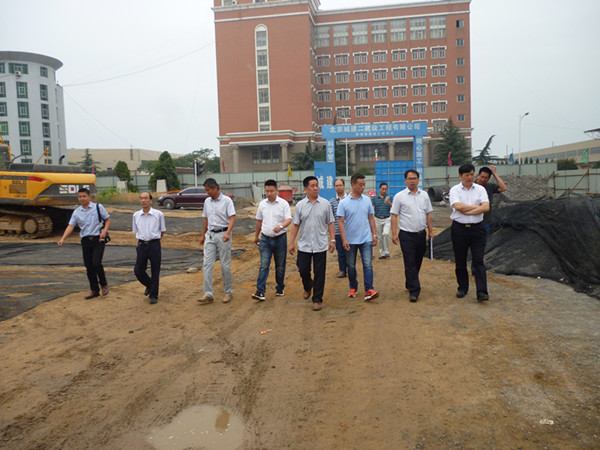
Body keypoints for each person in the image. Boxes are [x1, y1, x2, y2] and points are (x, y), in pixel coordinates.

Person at [288, 176, 335, 311]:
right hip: (305, 244)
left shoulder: (325, 204)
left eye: (317, 185)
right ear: (306, 189)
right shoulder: (300, 205)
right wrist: (291, 242)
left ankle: (317, 299)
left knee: (320, 273)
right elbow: (295, 225)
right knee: (303, 269)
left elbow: (330, 222)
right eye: (312, 186)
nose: (315, 188)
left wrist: (332, 240)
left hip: (320, 244)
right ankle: (308, 286)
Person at [58, 187, 110, 299]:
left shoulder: (98, 207)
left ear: (89, 197)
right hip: (85, 241)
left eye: (84, 196)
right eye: (80, 197)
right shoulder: (77, 212)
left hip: (98, 239)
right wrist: (63, 238)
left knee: (96, 263)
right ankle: (94, 290)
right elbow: (71, 226)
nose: (82, 198)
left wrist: (104, 231)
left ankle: (104, 284)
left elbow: (107, 219)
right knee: (89, 266)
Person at [390, 170, 433, 302]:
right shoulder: (399, 196)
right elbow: (394, 215)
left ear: (418, 180)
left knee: (417, 260)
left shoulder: (424, 195)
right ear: (405, 180)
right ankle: (414, 291)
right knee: (409, 262)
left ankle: (410, 282)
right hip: (406, 235)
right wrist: (394, 233)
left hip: (421, 234)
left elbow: (428, 214)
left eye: (414, 178)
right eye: (409, 178)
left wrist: (431, 231)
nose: (412, 181)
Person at [449, 164, 490, 302]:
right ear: (460, 176)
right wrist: (477, 208)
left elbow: (486, 207)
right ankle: (462, 288)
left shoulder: (480, 189)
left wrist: (468, 210)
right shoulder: (455, 190)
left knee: (478, 260)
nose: (470, 177)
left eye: (472, 174)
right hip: (459, 229)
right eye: (467, 175)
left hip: (477, 229)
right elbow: (458, 206)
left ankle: (482, 292)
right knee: (460, 260)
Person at [337, 173, 379, 302]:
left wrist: (374, 234)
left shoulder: (367, 200)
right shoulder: (344, 203)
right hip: (350, 240)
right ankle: (353, 287)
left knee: (368, 264)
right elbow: (341, 222)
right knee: (351, 266)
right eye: (360, 185)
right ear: (353, 184)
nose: (363, 187)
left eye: (364, 185)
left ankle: (369, 289)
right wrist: (344, 239)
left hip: (366, 238)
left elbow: (371, 218)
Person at [252, 179, 292, 301]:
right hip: (265, 239)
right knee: (264, 265)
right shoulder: (262, 204)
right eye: (267, 191)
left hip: (280, 239)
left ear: (276, 190)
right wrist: (256, 235)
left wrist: (281, 227)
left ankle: (280, 287)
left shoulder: (283, 204)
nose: (269, 193)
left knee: (280, 266)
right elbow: (259, 220)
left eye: (271, 191)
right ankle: (260, 291)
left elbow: (289, 219)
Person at [198, 178, 236, 304]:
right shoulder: (207, 202)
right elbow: (206, 219)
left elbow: (232, 218)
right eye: (206, 190)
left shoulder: (227, 201)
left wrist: (228, 233)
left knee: (225, 265)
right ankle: (208, 293)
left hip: (223, 235)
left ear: (215, 188)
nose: (207, 192)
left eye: (208, 190)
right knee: (207, 264)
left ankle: (228, 292)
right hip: (210, 235)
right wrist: (203, 235)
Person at [132, 192, 166, 304]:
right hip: (142, 244)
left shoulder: (159, 214)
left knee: (155, 270)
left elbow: (162, 231)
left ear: (151, 201)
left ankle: (153, 295)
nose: (143, 200)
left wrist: (154, 240)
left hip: (154, 244)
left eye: (146, 198)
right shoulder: (136, 215)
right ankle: (150, 284)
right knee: (138, 270)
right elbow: (136, 230)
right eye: (141, 198)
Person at [475, 165, 507, 234]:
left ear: (489, 178)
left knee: (484, 240)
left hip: (485, 222)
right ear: (478, 175)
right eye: (482, 177)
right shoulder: (471, 186)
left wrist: (494, 174)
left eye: (485, 178)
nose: (483, 179)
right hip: (472, 221)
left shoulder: (490, 186)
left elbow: (503, 188)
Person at [329, 178, 347, 278]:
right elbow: (331, 218)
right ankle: (342, 270)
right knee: (340, 252)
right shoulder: (332, 202)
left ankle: (351, 269)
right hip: (337, 231)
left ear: (344, 186)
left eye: (340, 185)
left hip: (349, 230)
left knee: (350, 252)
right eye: (336, 185)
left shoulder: (349, 199)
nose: (339, 187)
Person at [371, 182, 392, 259]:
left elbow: (394, 207)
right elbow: (370, 207)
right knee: (380, 237)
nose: (384, 191)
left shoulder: (389, 197)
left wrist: (389, 203)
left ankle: (387, 251)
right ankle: (382, 252)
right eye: (383, 189)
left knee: (386, 234)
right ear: (379, 189)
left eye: (385, 189)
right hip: (377, 218)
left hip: (387, 218)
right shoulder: (374, 198)